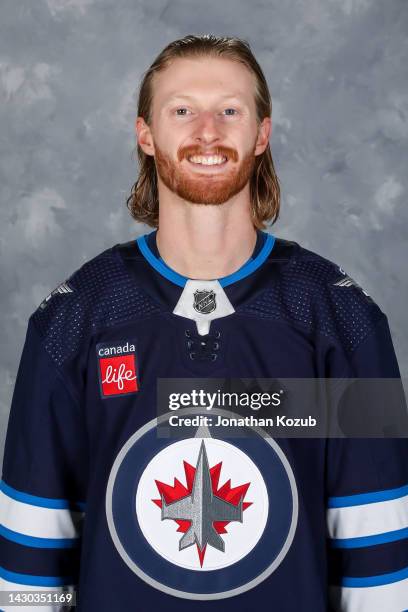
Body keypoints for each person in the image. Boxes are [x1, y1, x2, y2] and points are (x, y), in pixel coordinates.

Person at [1, 34, 407, 611]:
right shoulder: (71, 319)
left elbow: (382, 560)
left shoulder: (347, 320)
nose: (208, 131)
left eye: (230, 110)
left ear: (262, 133)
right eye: (183, 109)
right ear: (146, 133)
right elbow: (29, 560)